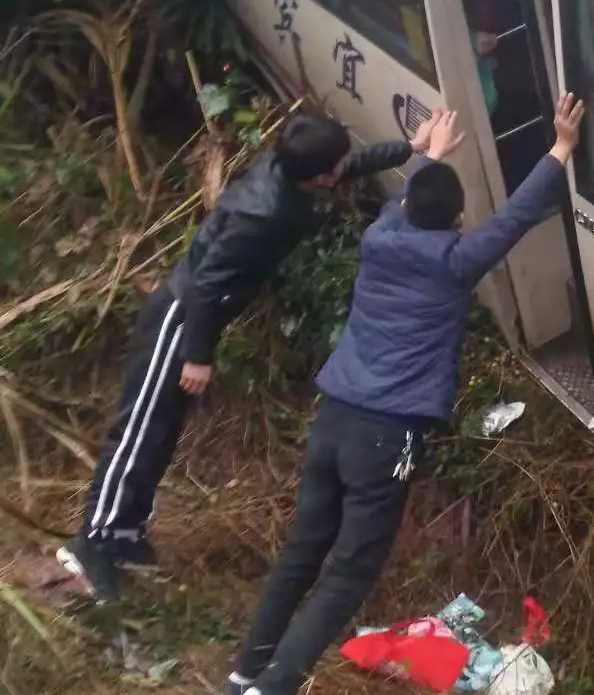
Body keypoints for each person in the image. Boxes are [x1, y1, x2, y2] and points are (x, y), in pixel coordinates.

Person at [224, 94, 586, 695]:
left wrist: (431, 156)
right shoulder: (454, 261)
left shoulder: (380, 234)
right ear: (456, 222)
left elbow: (411, 201)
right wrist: (559, 146)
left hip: (333, 417)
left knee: (303, 552)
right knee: (349, 571)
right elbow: (519, 216)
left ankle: (245, 673)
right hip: (384, 435)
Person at [57, 111, 444, 602]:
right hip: (180, 317)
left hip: (199, 317)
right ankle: (91, 541)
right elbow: (203, 285)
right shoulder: (262, 214)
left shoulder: (289, 168)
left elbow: (348, 166)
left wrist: (410, 148)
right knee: (139, 428)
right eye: (336, 165)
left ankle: (123, 535)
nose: (341, 170)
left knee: (163, 430)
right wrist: (197, 355)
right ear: (319, 174)